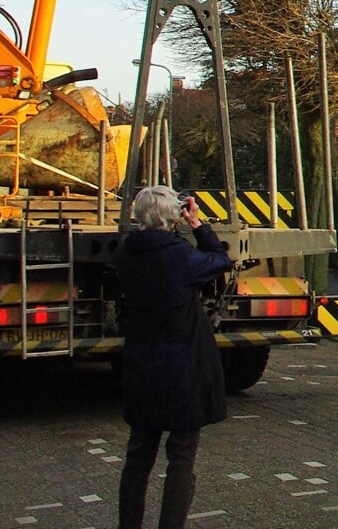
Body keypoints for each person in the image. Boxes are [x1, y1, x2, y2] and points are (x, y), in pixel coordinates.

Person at [115, 185, 235, 529]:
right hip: (183, 369)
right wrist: (198, 224)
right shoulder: (182, 257)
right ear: (173, 217)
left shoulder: (126, 254)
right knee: (181, 456)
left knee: (138, 455)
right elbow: (221, 259)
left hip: (142, 365)